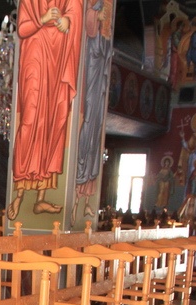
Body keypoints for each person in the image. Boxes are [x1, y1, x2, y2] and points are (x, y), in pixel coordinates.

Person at [7, 0, 83, 219]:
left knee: (52, 124)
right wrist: (43, 19)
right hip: (34, 55)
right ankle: (19, 194)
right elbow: (22, 28)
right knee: (30, 120)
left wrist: (67, 21)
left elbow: (75, 12)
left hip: (58, 58)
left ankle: (40, 198)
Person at [73, 0, 113, 224]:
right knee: (88, 122)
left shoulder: (103, 40)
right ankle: (77, 192)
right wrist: (95, 16)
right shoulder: (90, 42)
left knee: (95, 127)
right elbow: (87, 25)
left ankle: (85, 198)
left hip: (99, 85)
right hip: (90, 78)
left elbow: (105, 51)